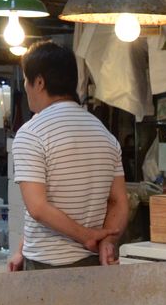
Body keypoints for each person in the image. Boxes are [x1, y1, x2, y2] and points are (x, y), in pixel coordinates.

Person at [7, 42, 128, 271]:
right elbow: (119, 201)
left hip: (46, 265)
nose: (25, 87)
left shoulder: (31, 134)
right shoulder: (104, 134)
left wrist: (87, 236)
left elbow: (38, 207)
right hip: (93, 263)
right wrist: (107, 242)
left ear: (39, 82)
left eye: (26, 79)